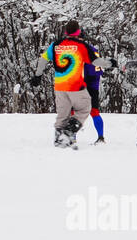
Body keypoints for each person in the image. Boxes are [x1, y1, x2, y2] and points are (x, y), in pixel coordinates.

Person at [31, 20, 102, 148]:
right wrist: (110, 63)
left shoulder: (56, 44)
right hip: (76, 85)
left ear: (65, 32)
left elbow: (43, 59)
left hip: (59, 86)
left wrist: (38, 75)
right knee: (85, 109)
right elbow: (96, 62)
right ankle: (69, 133)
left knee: (62, 114)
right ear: (78, 32)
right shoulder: (82, 46)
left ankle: (59, 141)